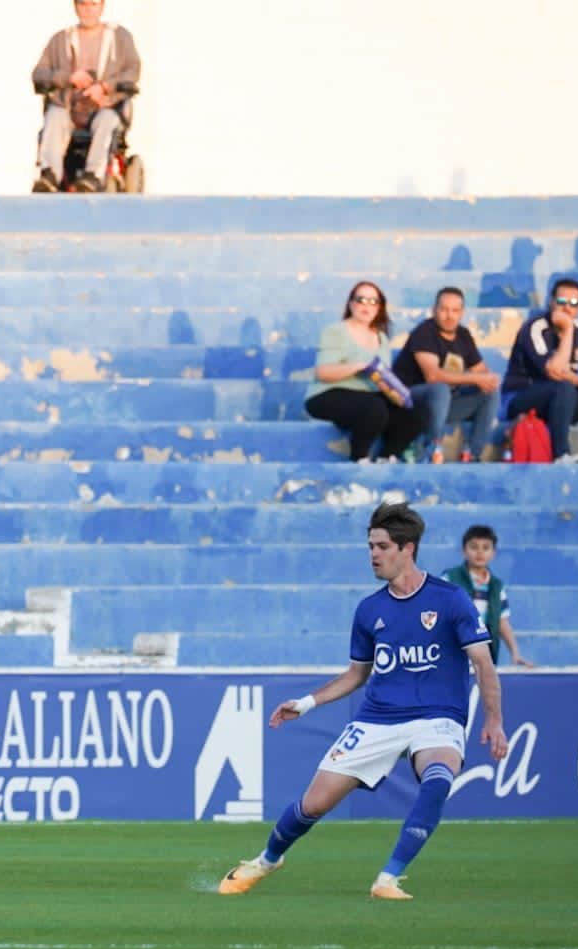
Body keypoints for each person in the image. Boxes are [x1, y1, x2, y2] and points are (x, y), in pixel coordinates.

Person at [219, 502, 507, 901]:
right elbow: (357, 674)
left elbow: (482, 662)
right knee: (313, 804)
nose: (373, 554)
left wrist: (493, 720)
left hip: (437, 717)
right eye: (370, 545)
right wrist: (306, 703)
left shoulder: (450, 600)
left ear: (407, 549)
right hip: (378, 720)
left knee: (438, 778)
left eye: (382, 546)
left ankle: (387, 878)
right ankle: (267, 860)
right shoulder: (370, 610)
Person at [501, 278, 578, 462]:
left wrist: (575, 379)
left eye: (573, 304)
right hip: (522, 397)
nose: (567, 308)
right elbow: (554, 371)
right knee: (563, 386)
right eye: (561, 302)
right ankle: (562, 454)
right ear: (551, 303)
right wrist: (567, 330)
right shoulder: (535, 328)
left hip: (561, 401)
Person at [304, 281, 425, 463]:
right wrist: (359, 366)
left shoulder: (381, 338)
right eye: (361, 300)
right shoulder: (335, 331)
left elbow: (381, 377)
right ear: (351, 304)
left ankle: (387, 457)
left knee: (414, 412)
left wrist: (395, 393)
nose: (366, 306)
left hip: (367, 397)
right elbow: (323, 372)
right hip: (328, 394)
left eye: (373, 301)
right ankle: (359, 457)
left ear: (379, 307)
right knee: (374, 408)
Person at [30, 0, 142, 193]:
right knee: (54, 116)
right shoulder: (60, 39)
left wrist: (106, 87)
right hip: (69, 106)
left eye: (94, 4)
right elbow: (38, 74)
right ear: (75, 6)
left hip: (106, 106)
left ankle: (93, 176)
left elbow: (133, 71)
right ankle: (50, 175)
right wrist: (68, 78)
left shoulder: (119, 37)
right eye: (83, 4)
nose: (88, 9)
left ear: (102, 6)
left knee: (106, 120)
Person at [393, 287, 499, 462]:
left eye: (455, 311)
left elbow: (482, 372)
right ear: (434, 310)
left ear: (462, 313)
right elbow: (432, 376)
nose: (449, 316)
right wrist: (474, 378)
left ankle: (473, 454)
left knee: (490, 393)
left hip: (443, 405)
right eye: (444, 309)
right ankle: (430, 449)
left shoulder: (463, 335)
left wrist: (487, 379)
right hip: (412, 402)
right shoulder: (424, 333)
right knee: (440, 389)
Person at [442, 525, 534, 669]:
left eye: (485, 548)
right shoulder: (449, 579)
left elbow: (502, 622)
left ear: (493, 553)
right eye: (474, 547)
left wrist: (515, 653)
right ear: (463, 551)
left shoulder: (496, 587)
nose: (480, 552)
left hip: (482, 658)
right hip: (452, 656)